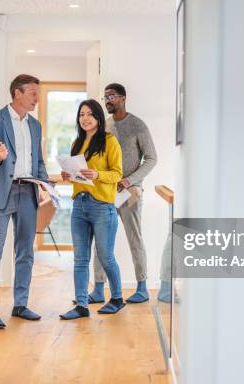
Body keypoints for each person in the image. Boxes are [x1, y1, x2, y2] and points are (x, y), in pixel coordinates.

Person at [0, 74, 48, 329]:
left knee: (25, 252)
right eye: (32, 93)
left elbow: (38, 160)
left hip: (28, 192)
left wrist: (43, 183)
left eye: (37, 94)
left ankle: (20, 304)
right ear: (17, 93)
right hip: (0, 193)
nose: (36, 98)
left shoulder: (35, 125)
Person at [87, 83, 158, 304]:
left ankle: (142, 287)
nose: (107, 100)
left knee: (134, 238)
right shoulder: (105, 126)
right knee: (101, 240)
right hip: (106, 191)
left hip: (130, 192)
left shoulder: (138, 126)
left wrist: (129, 181)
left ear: (123, 98)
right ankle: (98, 289)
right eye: (105, 97)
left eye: (112, 96)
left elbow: (152, 158)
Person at [59, 99, 125, 320]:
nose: (85, 118)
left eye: (89, 114)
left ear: (98, 117)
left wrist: (98, 175)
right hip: (79, 204)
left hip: (102, 206)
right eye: (81, 114)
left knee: (105, 256)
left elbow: (117, 174)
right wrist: (68, 176)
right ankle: (81, 305)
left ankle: (116, 298)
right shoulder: (77, 143)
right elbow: (78, 176)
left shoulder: (109, 141)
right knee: (80, 259)